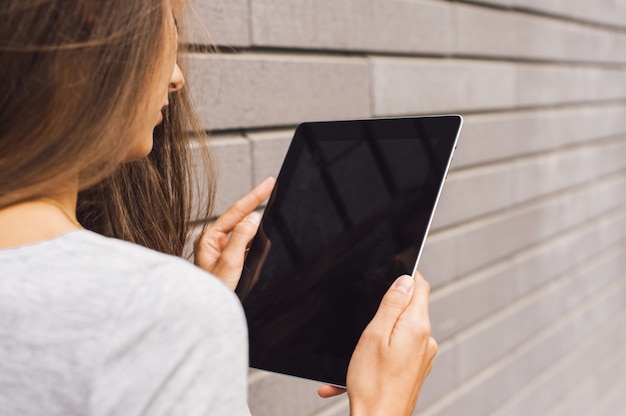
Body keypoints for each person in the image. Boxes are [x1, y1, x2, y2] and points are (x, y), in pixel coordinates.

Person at [0, 0, 438, 415]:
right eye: (166, 28)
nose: (177, 77)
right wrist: (383, 405)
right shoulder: (154, 309)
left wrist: (195, 323)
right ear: (94, 28)